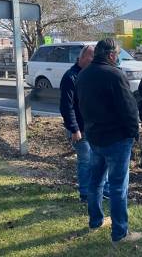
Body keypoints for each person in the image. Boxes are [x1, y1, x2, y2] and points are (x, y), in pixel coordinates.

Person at [76, 38, 142, 248]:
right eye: (118, 55)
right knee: (117, 187)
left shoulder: (83, 74)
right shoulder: (115, 75)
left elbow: (80, 106)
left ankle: (95, 220)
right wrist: (135, 133)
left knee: (95, 182)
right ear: (112, 55)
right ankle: (120, 232)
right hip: (117, 139)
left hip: (94, 136)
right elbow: (129, 108)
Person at [59, 45, 109, 202]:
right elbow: (66, 106)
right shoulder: (70, 77)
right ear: (81, 57)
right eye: (91, 57)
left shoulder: (93, 74)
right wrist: (74, 129)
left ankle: (103, 190)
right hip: (80, 128)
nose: (93, 60)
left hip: (95, 127)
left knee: (102, 159)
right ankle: (85, 193)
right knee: (85, 160)